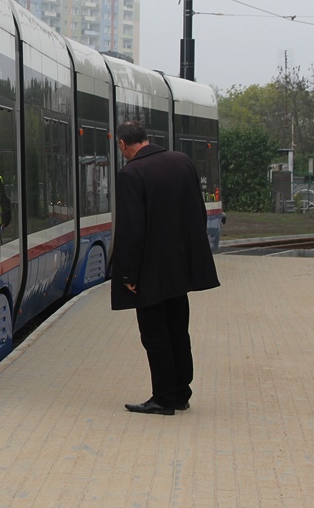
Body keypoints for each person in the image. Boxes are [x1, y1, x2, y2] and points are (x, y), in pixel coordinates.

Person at [111, 120, 220, 416]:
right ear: (146, 138)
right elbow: (197, 211)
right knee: (177, 330)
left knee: (155, 335)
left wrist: (127, 275)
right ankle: (181, 392)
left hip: (149, 272)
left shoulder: (131, 173)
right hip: (180, 268)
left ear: (123, 145)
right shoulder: (181, 162)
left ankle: (162, 398)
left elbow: (132, 229)